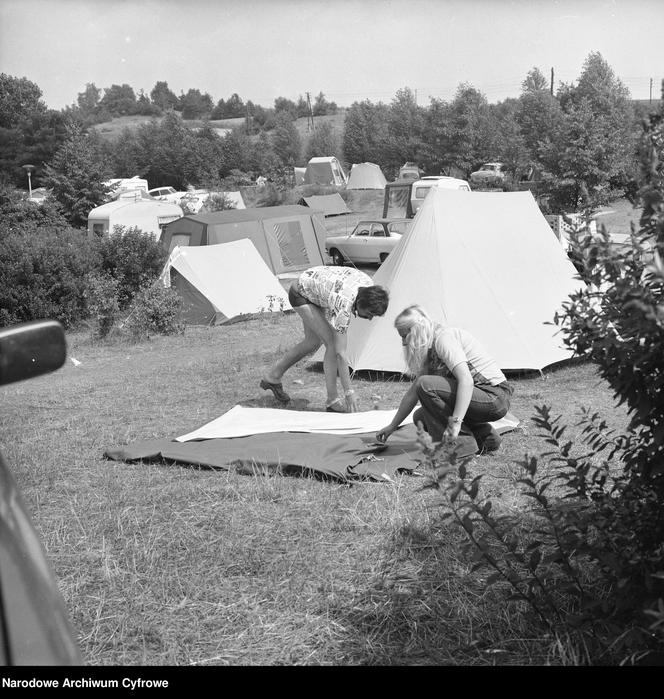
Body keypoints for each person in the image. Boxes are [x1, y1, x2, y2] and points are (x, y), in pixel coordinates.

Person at [375, 305, 513, 452]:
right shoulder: (430, 347)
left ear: (415, 332)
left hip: (493, 397)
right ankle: (487, 440)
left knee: (425, 384)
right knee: (421, 417)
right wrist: (392, 426)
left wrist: (456, 423)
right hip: (480, 396)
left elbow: (466, 380)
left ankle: (462, 448)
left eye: (404, 336)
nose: (404, 343)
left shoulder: (443, 339)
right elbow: (412, 394)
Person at [260, 266, 389, 412]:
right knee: (332, 344)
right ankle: (332, 400)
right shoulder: (344, 304)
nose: (370, 318)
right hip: (300, 292)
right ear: (360, 303)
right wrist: (349, 392)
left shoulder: (368, 285)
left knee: (312, 342)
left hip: (313, 286)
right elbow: (340, 354)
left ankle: (272, 377)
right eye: (370, 313)